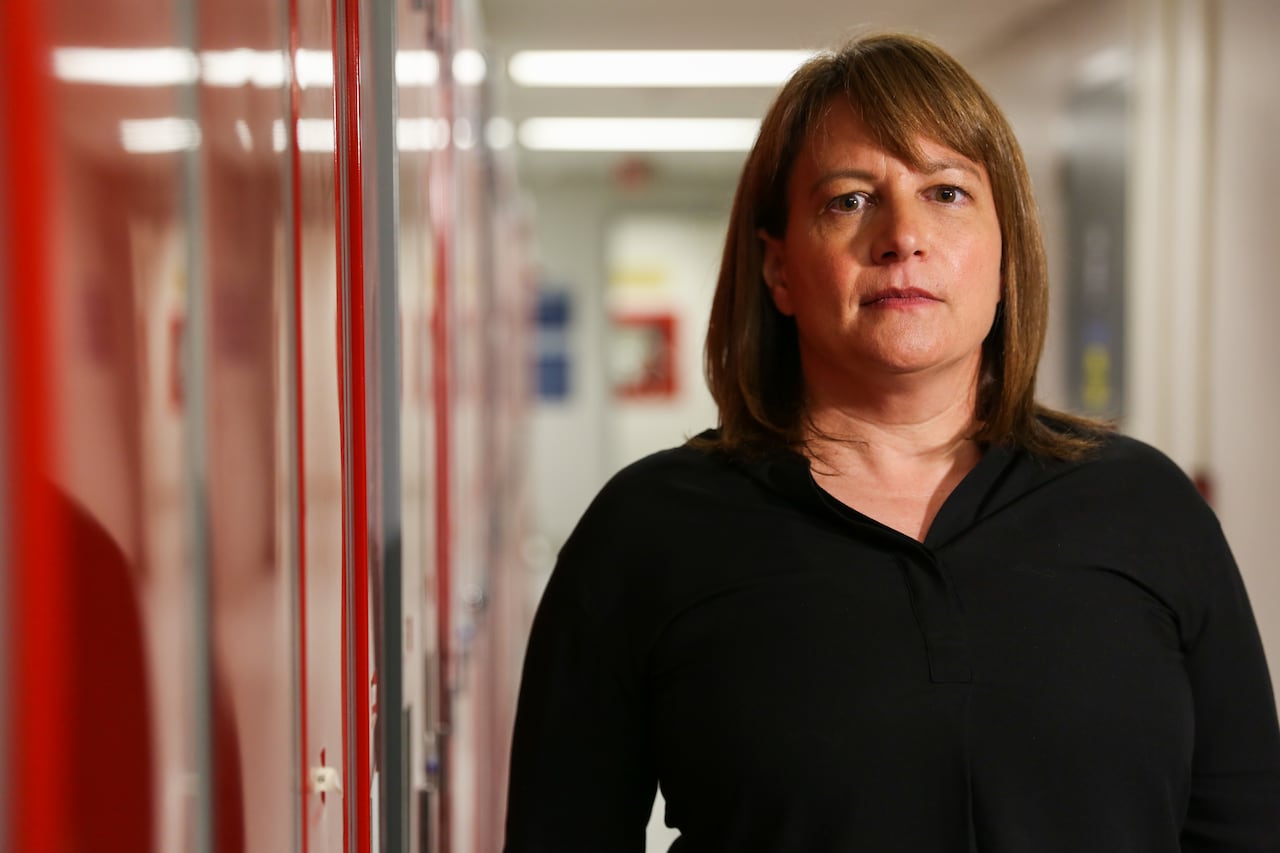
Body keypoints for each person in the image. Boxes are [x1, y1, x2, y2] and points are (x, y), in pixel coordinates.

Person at [503, 31, 1280, 851]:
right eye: (849, 200)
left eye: (946, 192)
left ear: (1006, 254)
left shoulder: (1145, 507)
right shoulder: (648, 530)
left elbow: (1245, 827)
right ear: (778, 269)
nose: (903, 235)